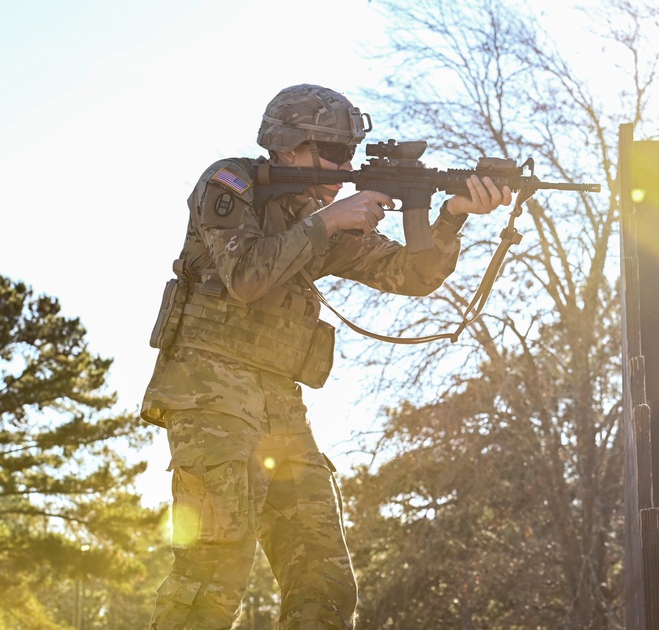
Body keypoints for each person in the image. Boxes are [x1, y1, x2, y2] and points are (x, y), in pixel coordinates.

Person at [141, 84, 512, 629]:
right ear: (289, 147)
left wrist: (452, 214)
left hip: (281, 405)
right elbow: (246, 276)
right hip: (208, 394)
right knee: (212, 573)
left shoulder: (321, 211)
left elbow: (412, 274)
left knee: (325, 580)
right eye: (333, 153)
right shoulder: (232, 182)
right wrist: (328, 222)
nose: (346, 165)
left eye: (351, 153)